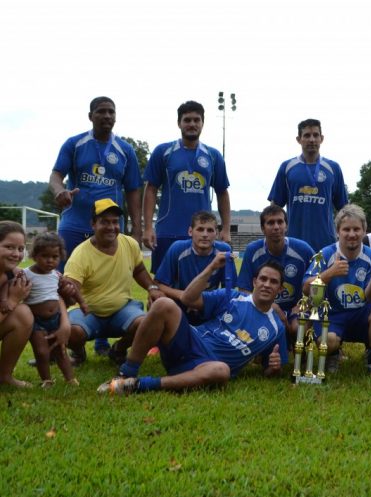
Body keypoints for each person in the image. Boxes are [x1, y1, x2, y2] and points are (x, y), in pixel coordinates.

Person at [97, 256, 287, 394]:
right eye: (263, 279)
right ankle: (125, 374)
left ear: (279, 289)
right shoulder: (232, 297)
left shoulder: (276, 328)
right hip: (189, 341)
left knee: (222, 371)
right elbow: (188, 298)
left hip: (207, 366)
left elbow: (269, 371)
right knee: (164, 304)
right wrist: (211, 267)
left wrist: (274, 367)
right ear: (254, 281)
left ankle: (140, 385)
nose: (266, 285)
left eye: (273, 282)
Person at [49, 96, 143, 356]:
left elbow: (134, 189)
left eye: (111, 112)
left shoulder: (125, 150)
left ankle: (103, 342)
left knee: (109, 278)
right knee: (59, 284)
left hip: (110, 224)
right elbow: (56, 175)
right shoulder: (75, 144)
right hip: (75, 223)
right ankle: (60, 344)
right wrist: (60, 191)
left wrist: (137, 226)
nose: (107, 116)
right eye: (101, 112)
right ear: (90, 116)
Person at [64, 198, 164, 366]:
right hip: (89, 312)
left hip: (122, 309)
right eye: (104, 222)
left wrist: (152, 287)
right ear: (93, 224)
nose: (111, 227)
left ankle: (119, 349)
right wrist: (67, 291)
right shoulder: (80, 254)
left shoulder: (129, 243)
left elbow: (139, 270)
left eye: (115, 222)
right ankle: (78, 351)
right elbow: (72, 288)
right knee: (71, 331)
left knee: (146, 323)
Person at [142, 100, 231, 273]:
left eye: (196, 120)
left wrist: (226, 228)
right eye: (187, 120)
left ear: (202, 123)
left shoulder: (213, 156)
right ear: (179, 123)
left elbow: (222, 192)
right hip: (168, 231)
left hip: (202, 233)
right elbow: (151, 189)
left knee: (200, 285)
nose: (192, 124)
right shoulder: (163, 152)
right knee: (162, 286)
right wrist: (147, 227)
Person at [303, 204, 371, 377]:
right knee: (327, 342)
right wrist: (329, 273)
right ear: (338, 232)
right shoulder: (325, 254)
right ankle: (333, 354)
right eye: (346, 229)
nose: (352, 234)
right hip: (333, 315)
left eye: (357, 229)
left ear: (364, 230)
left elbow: (368, 296)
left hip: (360, 314)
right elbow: (306, 288)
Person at [237, 204, 314, 346]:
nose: (276, 227)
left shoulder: (303, 249)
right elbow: (243, 290)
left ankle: (301, 354)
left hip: (297, 308)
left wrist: (305, 305)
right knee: (266, 334)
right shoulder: (252, 251)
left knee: (299, 329)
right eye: (270, 223)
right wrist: (270, 306)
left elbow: (317, 283)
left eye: (280, 222)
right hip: (265, 307)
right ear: (262, 228)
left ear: (286, 226)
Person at [268, 118, 348, 251]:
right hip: (293, 242)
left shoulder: (333, 168)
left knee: (323, 273)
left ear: (322, 138)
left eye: (316, 135)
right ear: (298, 139)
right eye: (307, 135)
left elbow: (344, 209)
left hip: (326, 243)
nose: (312, 139)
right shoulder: (287, 167)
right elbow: (274, 208)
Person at [154, 211, 236, 325]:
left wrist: (203, 302)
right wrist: (184, 296)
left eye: (210, 230)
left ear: (216, 234)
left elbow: (229, 291)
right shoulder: (177, 248)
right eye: (200, 229)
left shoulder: (224, 251)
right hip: (180, 304)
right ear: (190, 231)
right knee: (156, 300)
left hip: (210, 305)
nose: (205, 234)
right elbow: (159, 284)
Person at [23, 233, 81, 387]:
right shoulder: (26, 274)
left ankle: (70, 379)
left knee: (61, 351)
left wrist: (81, 302)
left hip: (55, 319)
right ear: (35, 255)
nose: (50, 260)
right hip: (37, 322)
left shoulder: (56, 275)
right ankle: (47, 380)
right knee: (42, 353)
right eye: (44, 256)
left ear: (61, 256)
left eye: (55, 257)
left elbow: (70, 294)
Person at [0, 221, 33, 388]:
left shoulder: (11, 273)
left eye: (20, 249)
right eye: (9, 247)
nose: (16, 254)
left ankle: (4, 376)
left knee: (23, 314)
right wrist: (12, 301)